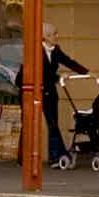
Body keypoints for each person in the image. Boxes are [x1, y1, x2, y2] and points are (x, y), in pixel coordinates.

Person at [39, 23, 89, 165]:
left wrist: (85, 71)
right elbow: (42, 73)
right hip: (39, 91)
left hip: (50, 92)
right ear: (46, 36)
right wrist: (59, 78)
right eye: (54, 34)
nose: (57, 36)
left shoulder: (55, 50)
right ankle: (57, 154)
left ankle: (57, 155)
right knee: (50, 123)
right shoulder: (36, 51)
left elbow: (67, 61)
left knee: (53, 123)